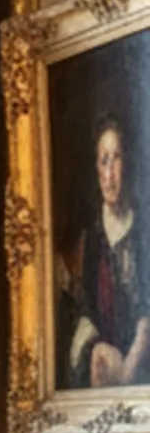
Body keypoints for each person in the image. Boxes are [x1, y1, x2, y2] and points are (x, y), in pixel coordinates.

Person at [66, 109, 150, 390]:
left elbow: (145, 316)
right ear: (96, 169)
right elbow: (85, 312)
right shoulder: (91, 237)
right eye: (104, 161)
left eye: (116, 158)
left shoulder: (142, 229)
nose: (110, 172)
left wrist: (130, 365)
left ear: (127, 163)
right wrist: (97, 350)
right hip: (103, 360)